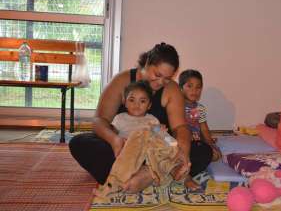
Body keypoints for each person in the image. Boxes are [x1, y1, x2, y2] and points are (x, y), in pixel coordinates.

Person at [69, 42, 191, 193]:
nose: (161, 82)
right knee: (79, 143)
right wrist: (115, 141)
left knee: (200, 151)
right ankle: (150, 174)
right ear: (147, 63)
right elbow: (99, 120)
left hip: (154, 151)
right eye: (158, 75)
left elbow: (180, 128)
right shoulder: (122, 80)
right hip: (123, 150)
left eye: (167, 78)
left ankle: (143, 174)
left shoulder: (172, 89)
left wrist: (182, 154)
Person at [178, 69, 222, 190]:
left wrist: (211, 143)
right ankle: (181, 171)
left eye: (198, 87)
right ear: (181, 88)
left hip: (196, 145)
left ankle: (187, 171)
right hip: (181, 144)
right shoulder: (177, 106)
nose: (194, 90)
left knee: (214, 155)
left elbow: (204, 127)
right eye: (190, 86)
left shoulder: (200, 108)